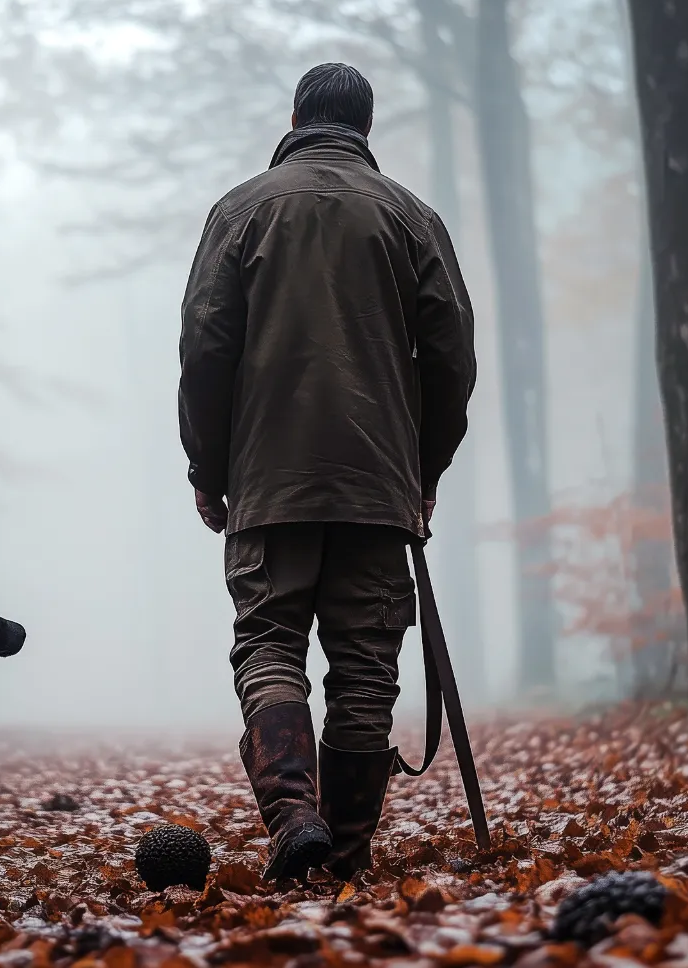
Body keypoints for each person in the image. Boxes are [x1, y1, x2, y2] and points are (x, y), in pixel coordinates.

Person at [178, 63, 476, 880]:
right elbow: (453, 359)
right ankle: (343, 853)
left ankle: (293, 816)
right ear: (365, 128)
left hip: (269, 485)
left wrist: (209, 467)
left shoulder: (240, 212)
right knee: (366, 665)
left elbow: (205, 350)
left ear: (297, 116)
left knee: (270, 645)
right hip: (378, 489)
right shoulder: (412, 219)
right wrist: (424, 469)